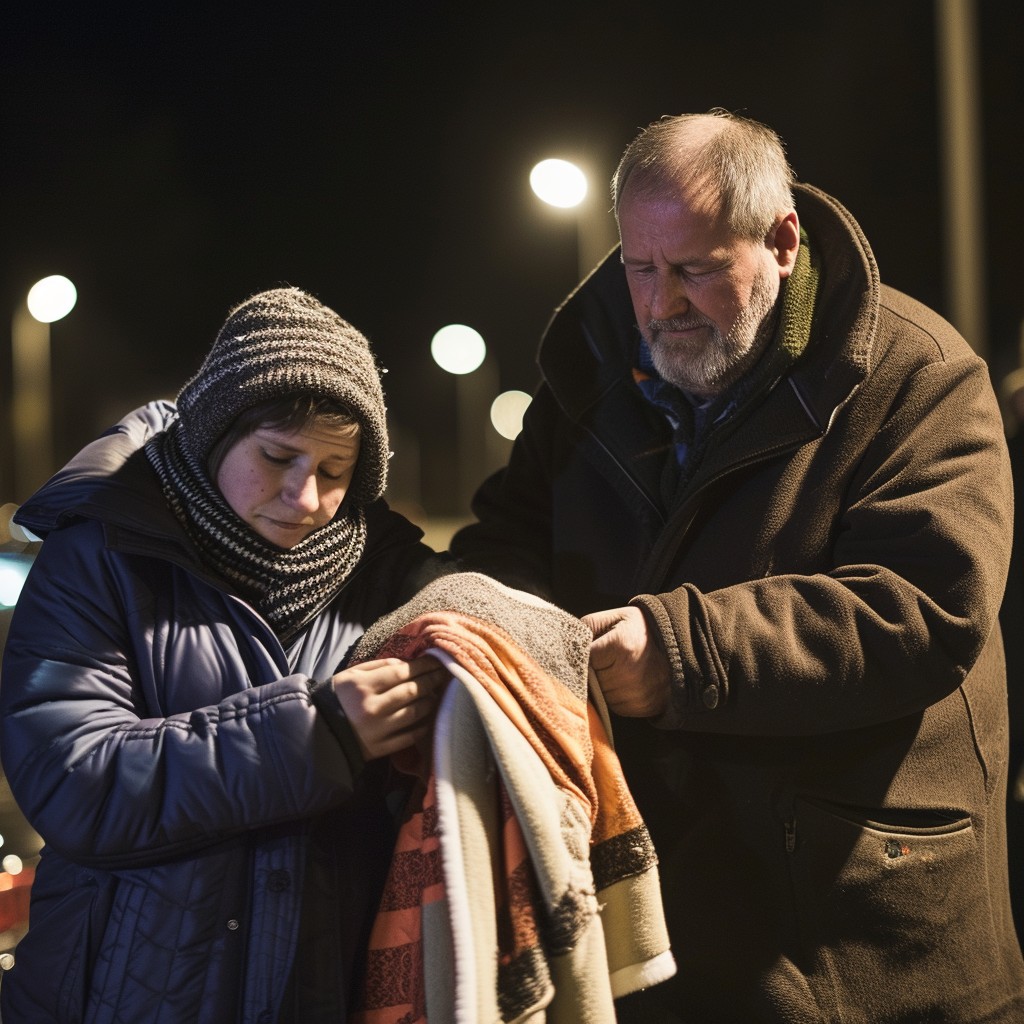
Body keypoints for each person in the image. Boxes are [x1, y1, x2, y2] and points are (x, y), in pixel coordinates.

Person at [450, 110, 1024, 1021]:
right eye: (640, 267)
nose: (659, 304)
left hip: (851, 944)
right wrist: (465, 621)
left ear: (784, 241)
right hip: (653, 935)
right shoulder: (590, 382)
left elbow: (921, 609)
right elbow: (505, 543)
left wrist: (681, 654)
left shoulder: (919, 376)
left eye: (697, 270)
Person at [0, 286, 451, 1022]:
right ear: (214, 435)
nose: (305, 497)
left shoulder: (392, 581)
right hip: (115, 999)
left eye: (335, 473)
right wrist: (320, 735)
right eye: (277, 457)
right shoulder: (100, 553)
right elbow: (74, 779)